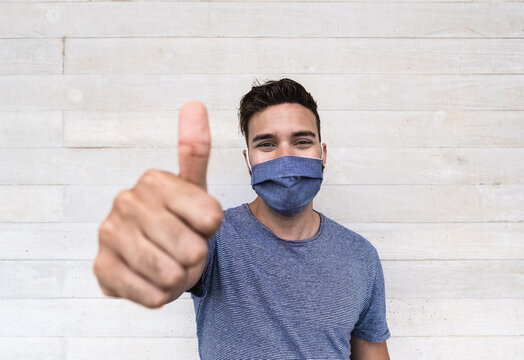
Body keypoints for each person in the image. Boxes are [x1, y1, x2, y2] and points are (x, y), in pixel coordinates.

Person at [94, 78, 391, 359]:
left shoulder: (360, 256)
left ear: (322, 154)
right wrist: (151, 254)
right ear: (248, 160)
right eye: (266, 144)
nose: (284, 158)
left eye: (301, 142)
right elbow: (176, 270)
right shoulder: (213, 236)